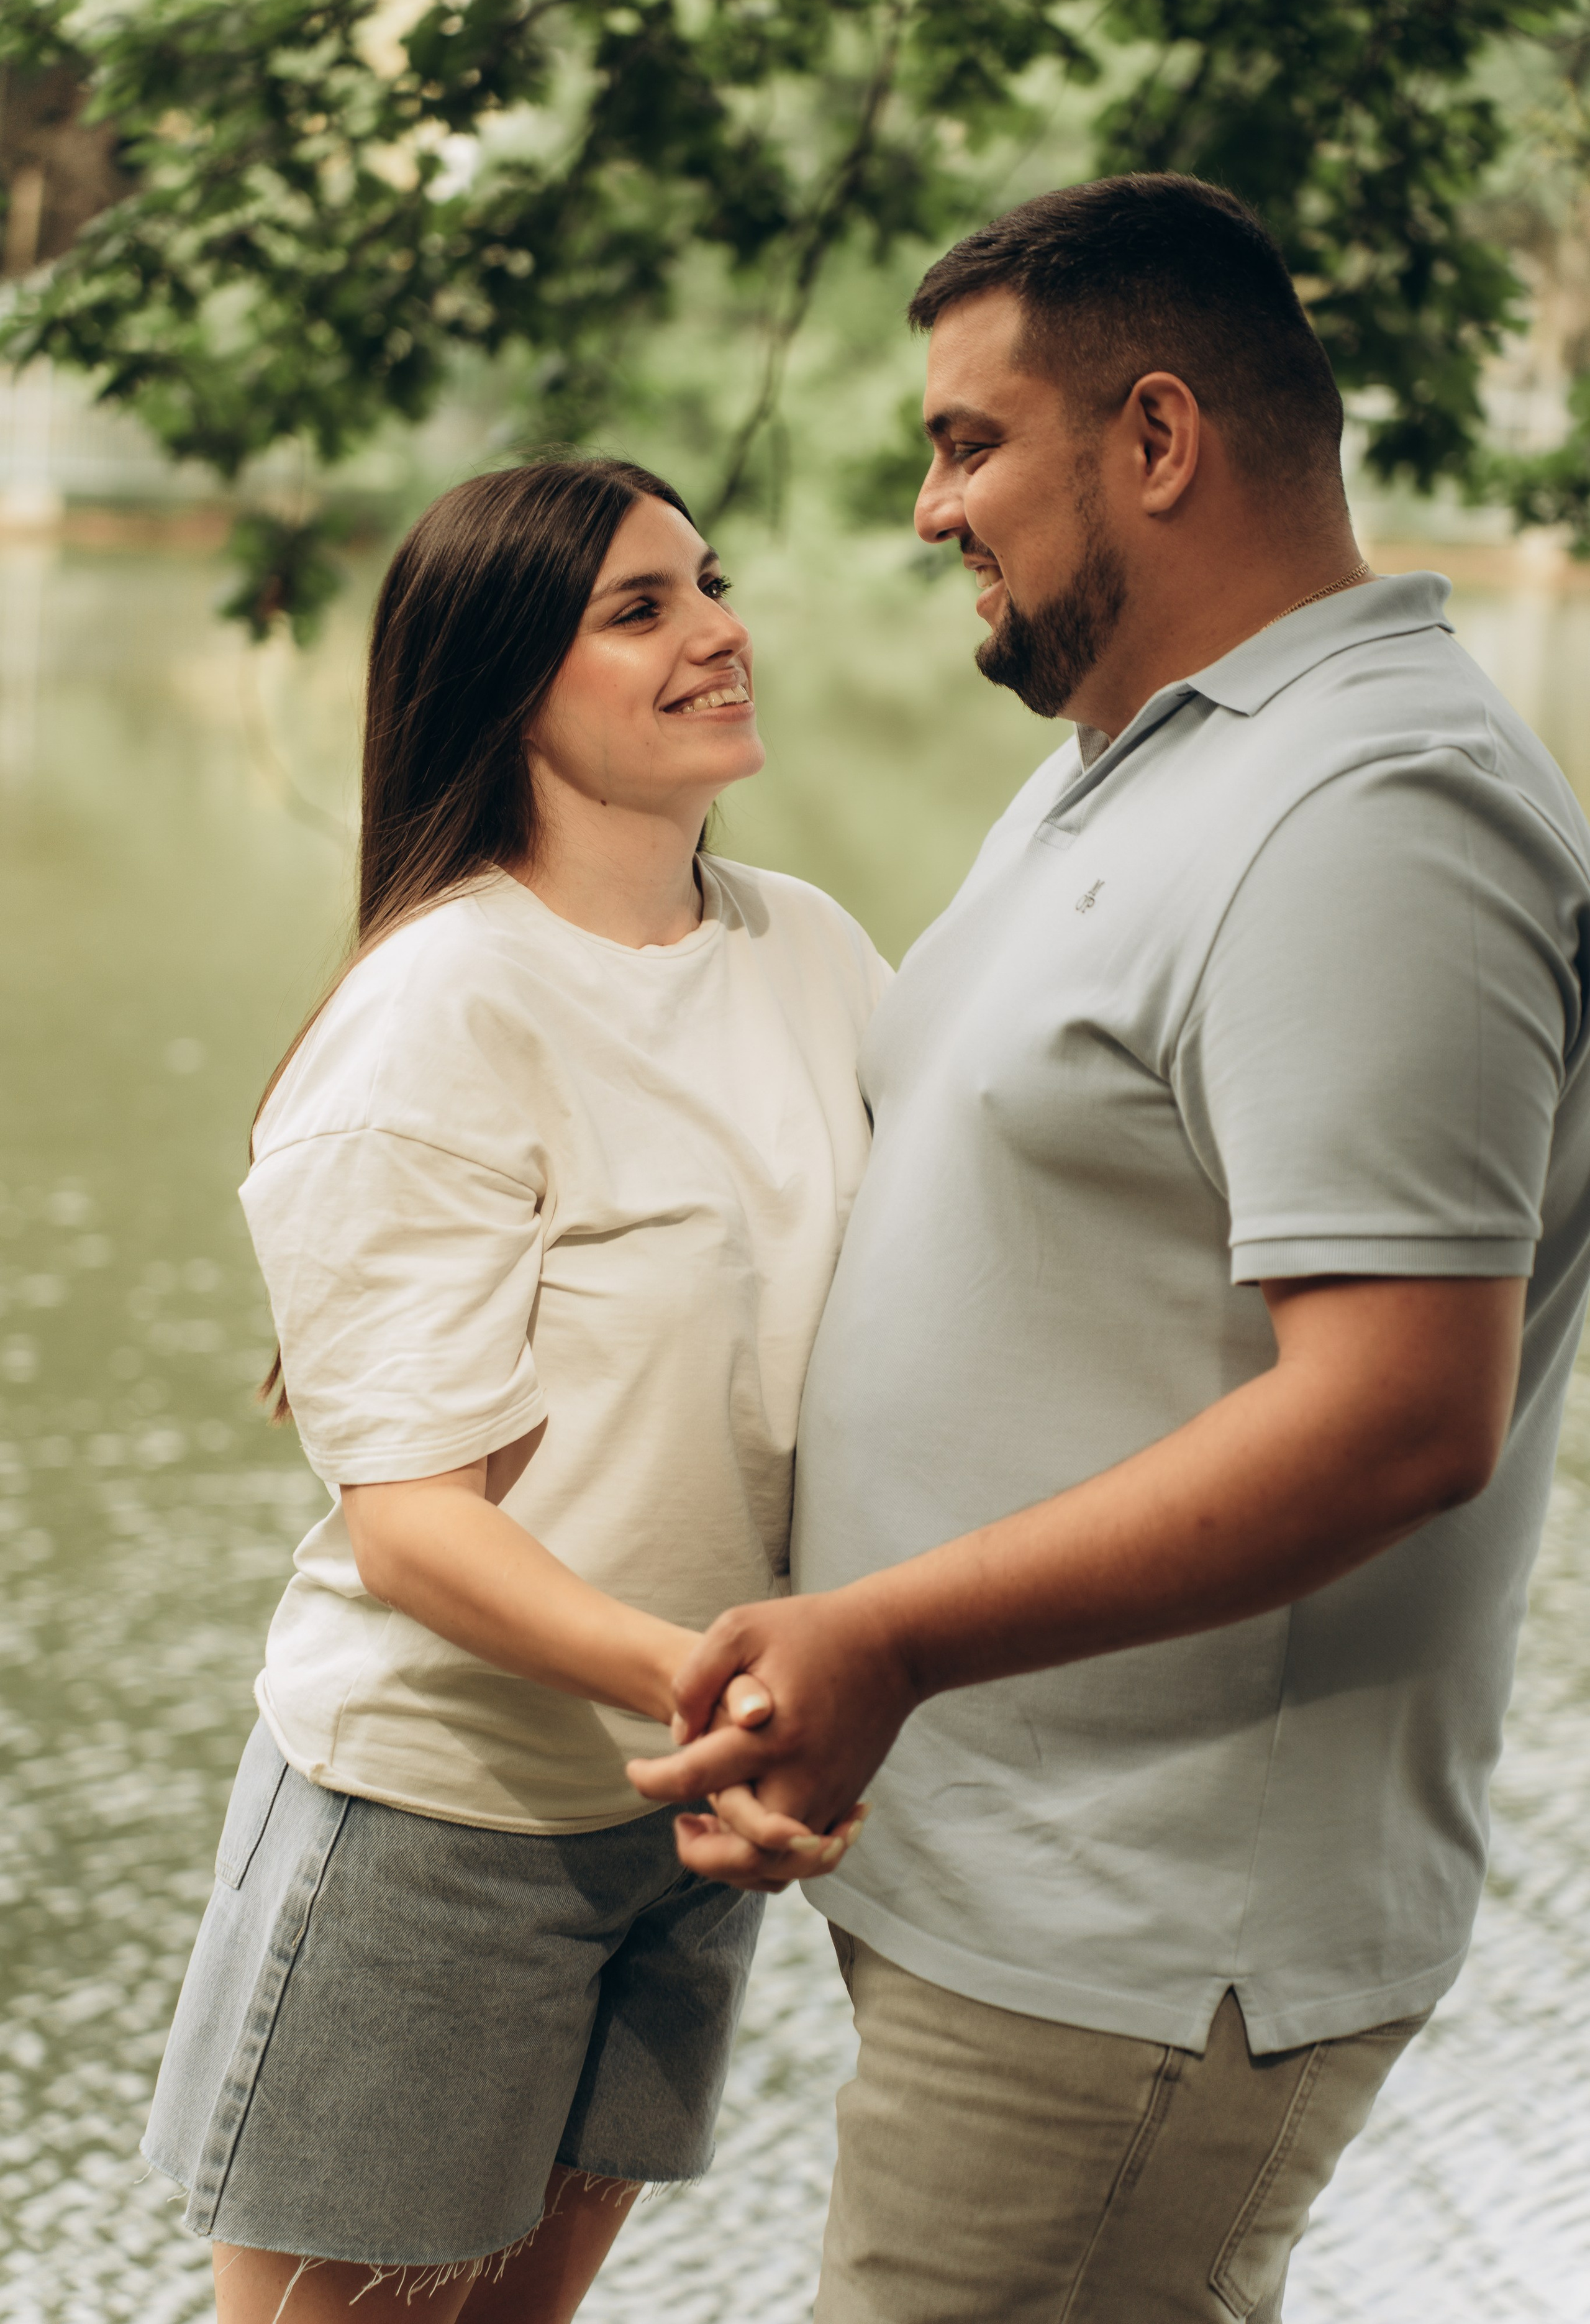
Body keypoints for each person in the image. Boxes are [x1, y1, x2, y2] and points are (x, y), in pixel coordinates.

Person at [632, 175, 1590, 2321]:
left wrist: (886, 1636)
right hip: (1005, 1890)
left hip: (1147, 1941)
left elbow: (1394, 1416)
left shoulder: (1373, 819)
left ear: (1157, 443)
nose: (922, 509)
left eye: (971, 445)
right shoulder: (1123, 761)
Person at [142, 457, 884, 2323]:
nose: (718, 630)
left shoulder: (810, 949)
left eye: (707, 583)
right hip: (441, 1822)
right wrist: (710, 1691)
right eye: (639, 609)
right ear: (505, 684)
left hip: (685, 1828)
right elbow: (410, 1531)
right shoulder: (440, 1011)